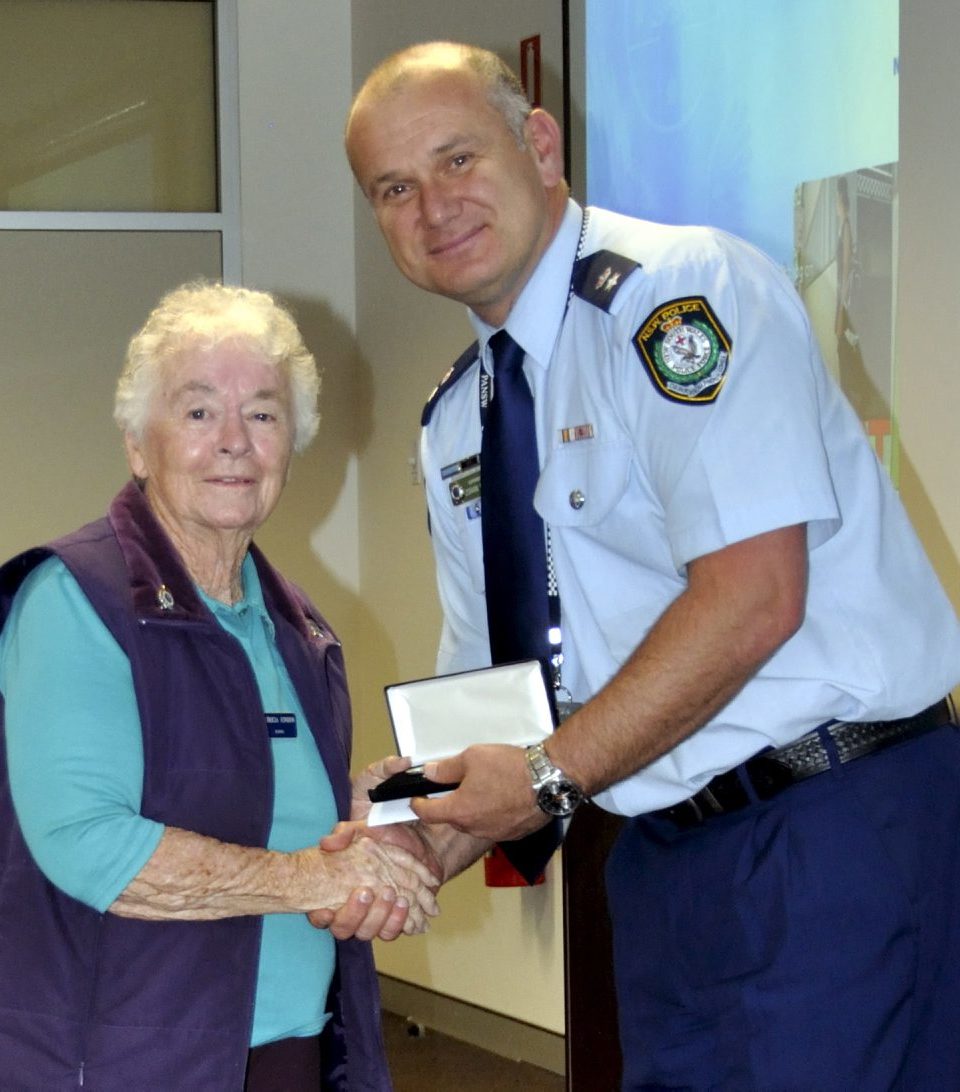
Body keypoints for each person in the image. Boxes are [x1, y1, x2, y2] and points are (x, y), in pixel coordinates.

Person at [344, 41, 960, 1090]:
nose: (432, 206)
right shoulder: (458, 419)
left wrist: (538, 782)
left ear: (539, 145)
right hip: (661, 855)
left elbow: (755, 596)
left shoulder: (677, 300)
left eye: (458, 160)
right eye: (394, 187)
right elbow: (493, 701)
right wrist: (409, 828)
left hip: (828, 823)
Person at [0, 282, 440, 1091]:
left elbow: (242, 797)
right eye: (199, 412)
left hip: (287, 1048)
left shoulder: (294, 626)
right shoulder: (76, 599)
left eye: (264, 413)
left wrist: (363, 815)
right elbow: (89, 842)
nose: (234, 441)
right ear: (139, 444)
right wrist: (320, 876)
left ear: (291, 442)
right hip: (128, 1063)